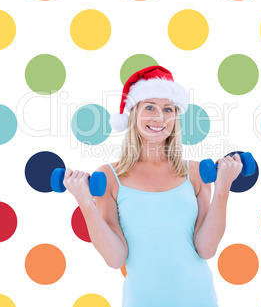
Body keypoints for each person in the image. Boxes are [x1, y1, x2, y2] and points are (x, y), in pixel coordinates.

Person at [63, 65, 243, 307]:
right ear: (134, 113)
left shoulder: (196, 173)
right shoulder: (109, 177)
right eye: (150, 107)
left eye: (168, 109)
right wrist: (85, 202)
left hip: (198, 298)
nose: (159, 117)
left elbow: (206, 249)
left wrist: (223, 189)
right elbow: (116, 258)